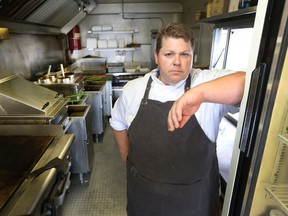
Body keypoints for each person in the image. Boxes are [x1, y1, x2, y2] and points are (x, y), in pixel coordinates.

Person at [110, 22, 245, 216]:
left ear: (192, 57)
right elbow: (117, 123)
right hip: (144, 199)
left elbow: (248, 83)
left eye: (184, 54)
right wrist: (129, 163)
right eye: (169, 54)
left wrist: (199, 94)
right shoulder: (134, 89)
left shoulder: (206, 82)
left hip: (194, 202)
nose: (177, 62)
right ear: (156, 57)